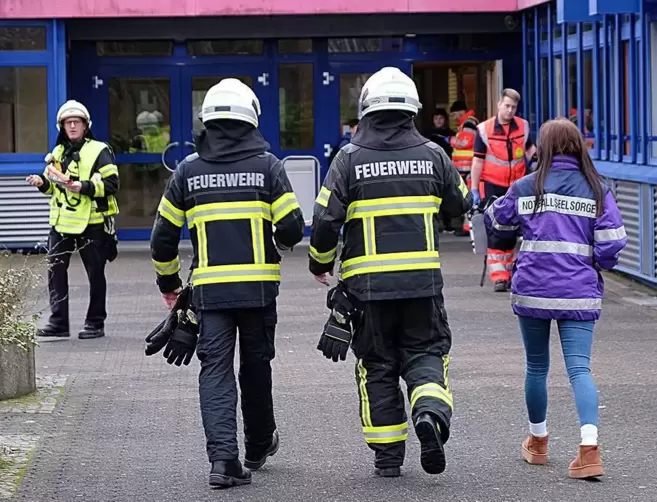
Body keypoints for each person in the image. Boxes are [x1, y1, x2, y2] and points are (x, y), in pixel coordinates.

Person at [308, 67, 472, 478]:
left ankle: (388, 457)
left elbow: (326, 220)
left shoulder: (348, 159)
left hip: (368, 292)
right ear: (411, 110)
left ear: (366, 110)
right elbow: (461, 203)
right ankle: (430, 415)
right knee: (426, 353)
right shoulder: (434, 154)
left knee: (377, 366)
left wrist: (320, 262)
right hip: (422, 287)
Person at [149, 78, 305, 489]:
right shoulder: (268, 167)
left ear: (209, 122)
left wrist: (169, 282)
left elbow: (162, 237)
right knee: (256, 368)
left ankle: (223, 462)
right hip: (257, 293)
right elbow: (291, 229)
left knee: (214, 371)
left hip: (210, 295)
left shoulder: (188, 171)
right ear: (251, 120)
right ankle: (257, 446)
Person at [483, 118, 627, 480]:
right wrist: (595, 264)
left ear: (543, 148)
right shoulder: (597, 189)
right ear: (578, 146)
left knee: (537, 367)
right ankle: (589, 450)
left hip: (533, 291)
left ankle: (538, 442)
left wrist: (489, 210)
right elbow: (612, 243)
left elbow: (498, 223)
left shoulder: (527, 186)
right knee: (580, 369)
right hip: (578, 293)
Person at [26, 100, 119, 340]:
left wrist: (84, 186)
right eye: (69, 123)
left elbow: (112, 184)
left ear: (86, 125)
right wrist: (41, 183)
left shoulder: (100, 150)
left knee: (95, 273)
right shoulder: (57, 153)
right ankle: (59, 322)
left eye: (77, 122)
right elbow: (54, 189)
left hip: (92, 222)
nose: (73, 126)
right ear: (62, 127)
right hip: (62, 222)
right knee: (55, 271)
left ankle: (95, 323)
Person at [470, 88, 535, 292]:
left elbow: (531, 151)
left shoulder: (522, 126)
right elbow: (477, 161)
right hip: (493, 186)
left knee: (515, 230)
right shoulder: (484, 130)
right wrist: (474, 189)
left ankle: (509, 273)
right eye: (506, 106)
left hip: (517, 186)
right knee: (497, 230)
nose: (509, 110)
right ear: (499, 104)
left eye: (513, 107)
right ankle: (499, 276)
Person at [449, 100, 480, 237]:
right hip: (465, 169)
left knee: (469, 200)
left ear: (460, 111)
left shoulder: (469, 123)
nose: (453, 117)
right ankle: (467, 227)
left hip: (468, 169)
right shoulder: (464, 124)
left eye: (454, 113)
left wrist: (450, 140)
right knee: (466, 199)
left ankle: (469, 228)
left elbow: (465, 142)